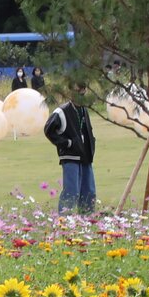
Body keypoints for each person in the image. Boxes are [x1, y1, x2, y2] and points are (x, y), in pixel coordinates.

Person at [43, 84, 97, 214]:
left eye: (82, 90)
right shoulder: (62, 111)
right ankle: (65, 220)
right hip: (70, 156)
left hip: (85, 155)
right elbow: (48, 130)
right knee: (72, 190)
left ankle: (87, 219)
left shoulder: (84, 110)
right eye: (76, 90)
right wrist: (66, 143)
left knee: (89, 190)